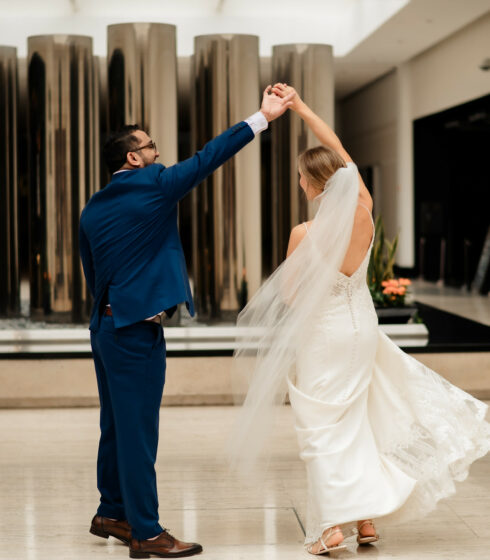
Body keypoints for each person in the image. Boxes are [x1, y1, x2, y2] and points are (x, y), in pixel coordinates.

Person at [228, 83, 490, 555]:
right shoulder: (365, 212)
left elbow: (289, 297)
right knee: (357, 419)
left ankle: (331, 527)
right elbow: (341, 152)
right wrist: (303, 108)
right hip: (362, 328)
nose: (300, 185)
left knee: (321, 428)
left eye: (302, 179)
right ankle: (364, 519)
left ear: (314, 184)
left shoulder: (304, 233)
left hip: (324, 334)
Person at [79, 86, 294, 559]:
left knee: (115, 425)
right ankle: (147, 532)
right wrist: (262, 117)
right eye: (152, 146)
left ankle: (111, 511)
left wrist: (113, 310)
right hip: (136, 332)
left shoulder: (93, 206)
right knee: (138, 433)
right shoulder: (154, 183)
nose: (159, 154)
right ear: (134, 159)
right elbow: (208, 157)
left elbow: (92, 273)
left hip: (106, 327)